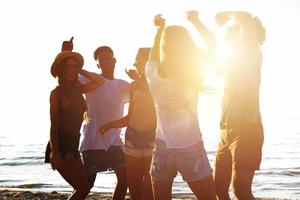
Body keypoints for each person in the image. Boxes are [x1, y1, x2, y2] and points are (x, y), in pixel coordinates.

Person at [145, 13, 217, 200]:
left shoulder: (152, 74)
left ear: (164, 48)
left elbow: (153, 55)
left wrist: (160, 29)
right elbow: (212, 45)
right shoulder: (192, 75)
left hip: (162, 149)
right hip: (191, 147)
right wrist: (195, 21)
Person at [213, 11, 265, 200]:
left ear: (241, 34)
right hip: (226, 130)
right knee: (218, 188)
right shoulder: (231, 60)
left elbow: (246, 19)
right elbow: (210, 63)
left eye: (230, 29)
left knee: (241, 190)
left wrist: (226, 14)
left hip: (247, 129)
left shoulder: (249, 51)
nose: (225, 32)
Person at [99, 48, 156, 200]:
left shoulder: (159, 85)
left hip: (153, 140)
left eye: (138, 60)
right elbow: (130, 117)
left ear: (148, 61)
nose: (134, 63)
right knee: (134, 188)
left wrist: (139, 76)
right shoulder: (134, 86)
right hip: (132, 138)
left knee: (150, 189)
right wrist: (110, 125)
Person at [46, 50, 104, 200]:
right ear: (61, 70)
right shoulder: (56, 93)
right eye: (68, 67)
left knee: (85, 187)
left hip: (73, 145)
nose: (72, 70)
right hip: (61, 146)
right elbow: (54, 124)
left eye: (74, 67)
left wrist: (81, 70)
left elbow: (99, 81)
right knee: (83, 188)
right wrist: (55, 151)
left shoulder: (78, 90)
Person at [79, 46, 128, 200]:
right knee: (86, 186)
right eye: (102, 60)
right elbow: (68, 76)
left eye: (108, 58)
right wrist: (66, 54)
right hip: (94, 141)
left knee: (124, 180)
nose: (106, 61)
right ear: (98, 65)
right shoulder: (90, 79)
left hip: (115, 141)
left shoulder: (123, 85)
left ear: (115, 60)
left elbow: (144, 96)